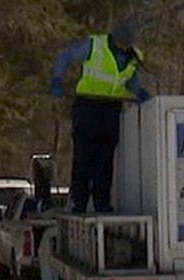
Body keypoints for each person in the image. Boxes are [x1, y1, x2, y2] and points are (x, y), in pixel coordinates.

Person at [50, 21, 150, 214]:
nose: (125, 47)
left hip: (111, 106)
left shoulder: (133, 57)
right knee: (84, 155)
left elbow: (130, 83)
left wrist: (140, 93)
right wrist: (57, 79)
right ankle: (78, 201)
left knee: (105, 158)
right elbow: (66, 57)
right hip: (87, 104)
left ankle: (102, 202)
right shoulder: (95, 45)